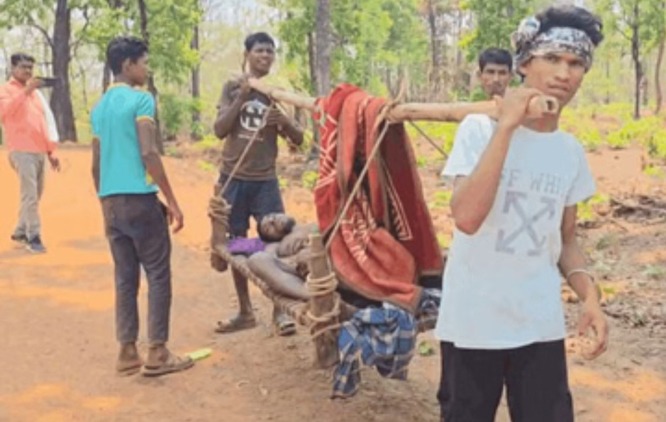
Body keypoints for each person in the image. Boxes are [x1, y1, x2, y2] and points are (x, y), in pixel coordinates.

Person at [435, 6, 608, 421]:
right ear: (525, 64)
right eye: (552, 58)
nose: (564, 73)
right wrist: (507, 126)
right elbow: (467, 218)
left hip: (539, 324)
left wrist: (590, 297)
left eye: (576, 63)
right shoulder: (479, 130)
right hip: (472, 322)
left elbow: (566, 239)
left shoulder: (569, 152)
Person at [91, 36, 193, 377]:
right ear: (128, 65)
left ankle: (127, 351)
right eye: (144, 63)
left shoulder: (99, 108)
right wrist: (172, 201)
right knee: (158, 274)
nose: (147, 69)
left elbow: (96, 165)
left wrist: (105, 202)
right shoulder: (141, 100)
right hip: (140, 200)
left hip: (111, 202)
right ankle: (158, 352)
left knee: (125, 277)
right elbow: (148, 152)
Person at [213, 32, 304, 336]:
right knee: (234, 243)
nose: (265, 56)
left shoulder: (278, 92)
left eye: (270, 51)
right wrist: (242, 96)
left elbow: (299, 139)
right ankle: (245, 311)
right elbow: (219, 129)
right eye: (260, 50)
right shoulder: (232, 86)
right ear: (247, 54)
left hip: (266, 180)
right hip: (234, 178)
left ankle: (280, 311)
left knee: (277, 243)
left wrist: (283, 121)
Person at [0, 53, 61, 253]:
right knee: (30, 195)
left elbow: (42, 123)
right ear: (13, 68)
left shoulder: (36, 95)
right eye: (23, 67)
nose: (28, 71)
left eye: (30, 67)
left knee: (35, 195)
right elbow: (4, 112)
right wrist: (26, 90)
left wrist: (50, 151)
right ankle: (34, 237)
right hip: (21, 150)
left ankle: (20, 230)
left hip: (39, 151)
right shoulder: (6, 90)